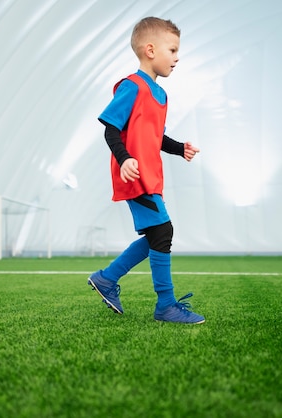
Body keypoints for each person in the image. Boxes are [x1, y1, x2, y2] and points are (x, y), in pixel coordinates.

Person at [88, 17, 205, 324]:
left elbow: (157, 138)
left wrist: (180, 148)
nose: (177, 57)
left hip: (151, 176)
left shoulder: (161, 95)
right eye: (173, 49)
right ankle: (165, 304)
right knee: (163, 232)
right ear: (150, 50)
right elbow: (111, 129)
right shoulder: (132, 86)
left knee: (157, 235)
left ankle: (106, 278)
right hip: (134, 176)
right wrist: (125, 159)